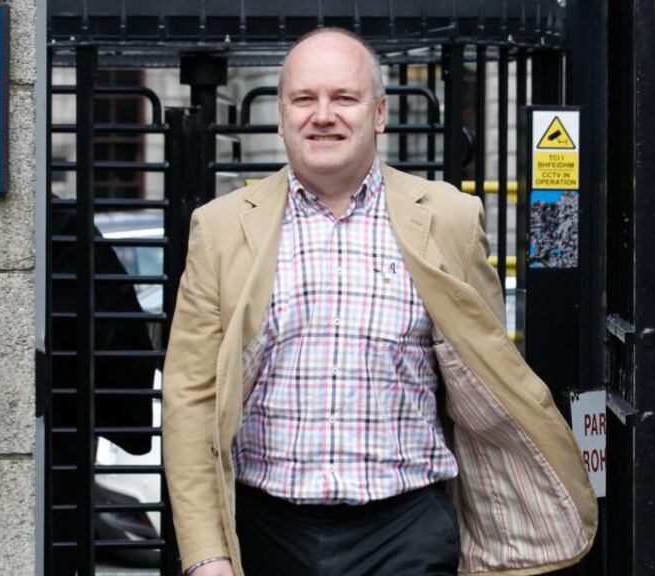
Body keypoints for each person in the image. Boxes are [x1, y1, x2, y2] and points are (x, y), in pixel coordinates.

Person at [162, 28, 596, 576]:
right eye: (304, 99)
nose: (323, 115)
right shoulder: (221, 228)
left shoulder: (450, 220)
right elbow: (190, 402)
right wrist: (207, 556)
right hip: (265, 529)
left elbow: (488, 375)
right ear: (281, 115)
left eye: (344, 97)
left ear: (380, 114)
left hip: (406, 530)